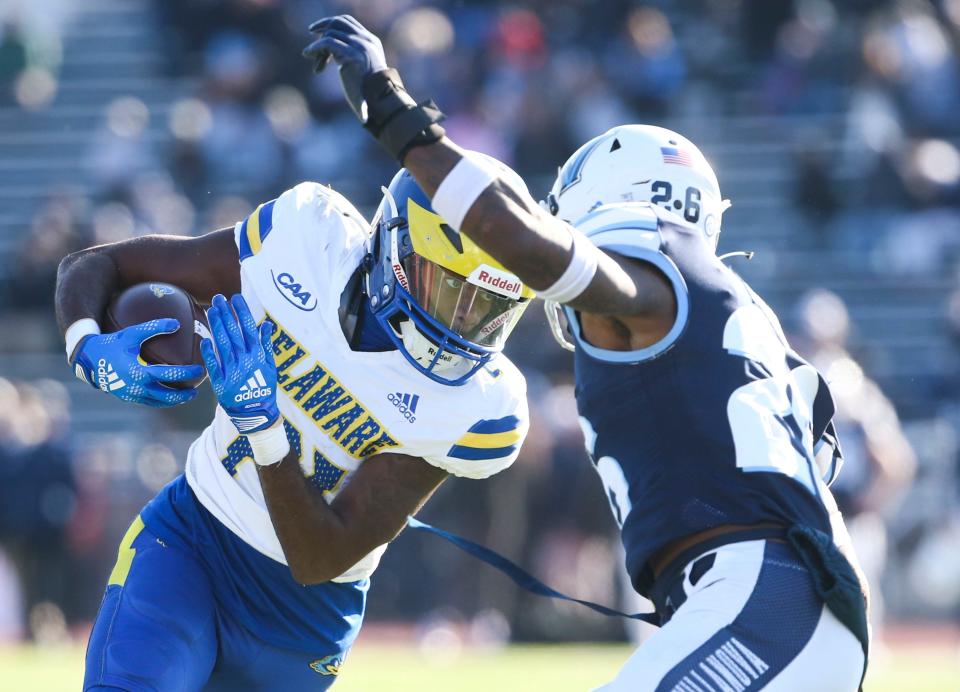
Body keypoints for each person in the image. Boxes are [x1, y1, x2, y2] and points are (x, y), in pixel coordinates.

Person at [305, 15, 869, 690]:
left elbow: (517, 237)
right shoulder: (718, 311)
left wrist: (394, 113)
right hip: (766, 597)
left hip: (763, 598)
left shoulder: (655, 272)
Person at [55, 149, 532, 686]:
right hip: (192, 542)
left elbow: (319, 556)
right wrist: (86, 345)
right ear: (395, 248)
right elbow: (96, 265)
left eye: (489, 304)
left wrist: (266, 432)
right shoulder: (309, 241)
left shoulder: (480, 407)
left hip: (300, 616)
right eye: (450, 287)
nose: (465, 318)